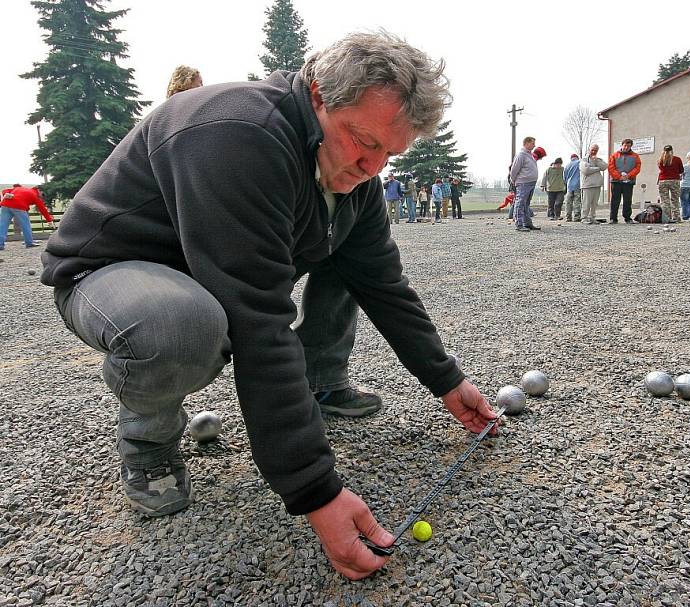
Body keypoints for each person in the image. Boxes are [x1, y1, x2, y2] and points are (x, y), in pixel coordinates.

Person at [40, 32, 497, 581]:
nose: (372, 167)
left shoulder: (354, 176)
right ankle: (148, 441)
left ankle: (323, 382)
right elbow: (259, 319)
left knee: (346, 255)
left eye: (389, 154)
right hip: (114, 273)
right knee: (181, 328)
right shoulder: (240, 136)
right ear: (319, 95)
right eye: (361, 140)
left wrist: (447, 380)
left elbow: (384, 285)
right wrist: (315, 491)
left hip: (210, 274)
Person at [0, 184, 55, 250]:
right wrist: (49, 221)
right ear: (39, 190)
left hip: (5, 205)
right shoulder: (35, 195)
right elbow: (43, 209)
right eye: (43, 194)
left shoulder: (20, 188)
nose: (42, 197)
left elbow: (5, 190)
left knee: (3, 225)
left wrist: (5, 194)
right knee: (25, 225)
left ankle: (0, 244)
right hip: (19, 207)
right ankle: (29, 242)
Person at [608, 138, 641, 224]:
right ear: (622, 145)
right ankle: (613, 218)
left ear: (631, 146)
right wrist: (619, 177)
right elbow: (611, 167)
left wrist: (628, 176)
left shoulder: (635, 156)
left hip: (629, 181)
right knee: (615, 200)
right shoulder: (614, 155)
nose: (626, 147)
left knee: (627, 200)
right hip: (616, 181)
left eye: (629, 146)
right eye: (625, 145)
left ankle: (627, 218)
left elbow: (637, 168)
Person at [509, 136, 539, 232]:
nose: (534, 145)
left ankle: (527, 223)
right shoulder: (521, 155)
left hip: (531, 183)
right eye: (532, 143)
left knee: (526, 204)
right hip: (523, 183)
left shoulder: (529, 155)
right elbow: (514, 170)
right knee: (520, 202)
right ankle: (519, 223)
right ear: (526, 143)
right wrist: (513, 181)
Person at [579, 144, 607, 224]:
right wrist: (597, 168)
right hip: (587, 185)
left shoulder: (598, 159)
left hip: (597, 184)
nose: (594, 151)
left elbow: (604, 167)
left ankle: (592, 217)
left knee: (594, 203)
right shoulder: (583, 160)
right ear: (589, 150)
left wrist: (596, 162)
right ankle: (584, 218)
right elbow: (586, 170)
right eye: (592, 150)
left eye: (595, 150)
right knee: (586, 202)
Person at [657, 145, 683, 223]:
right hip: (674, 180)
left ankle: (667, 218)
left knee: (665, 201)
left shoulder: (660, 160)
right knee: (674, 200)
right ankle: (676, 217)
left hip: (663, 181)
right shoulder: (677, 159)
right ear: (672, 150)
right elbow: (681, 170)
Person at [562, 153, 581, 222]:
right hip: (578, 185)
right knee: (577, 201)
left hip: (569, 186)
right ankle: (577, 217)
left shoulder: (567, 165)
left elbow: (564, 177)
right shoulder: (579, 163)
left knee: (568, 202)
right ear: (577, 158)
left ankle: (568, 217)